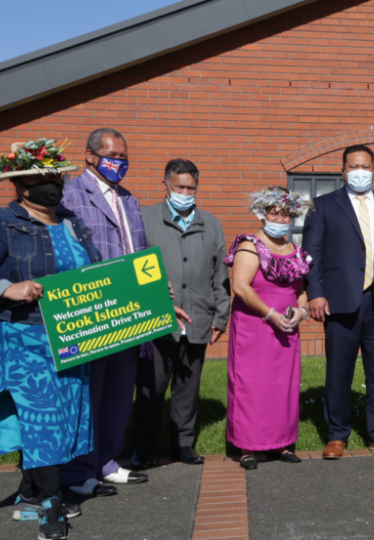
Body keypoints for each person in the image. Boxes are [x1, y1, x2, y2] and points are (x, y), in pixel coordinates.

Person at [0, 138, 97, 540]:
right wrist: (6, 287)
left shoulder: (71, 221)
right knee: (42, 414)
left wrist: (151, 299)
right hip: (20, 333)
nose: (51, 184)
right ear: (21, 185)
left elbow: (100, 275)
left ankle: (31, 492)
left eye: (55, 176)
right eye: (40, 178)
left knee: (65, 412)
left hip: (69, 331)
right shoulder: (0, 221)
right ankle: (52, 505)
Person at [302, 145, 374, 459]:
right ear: (342, 170)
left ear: (373, 168)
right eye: (353, 166)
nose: (359, 171)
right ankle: (337, 435)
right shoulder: (323, 206)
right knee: (338, 372)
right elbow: (311, 255)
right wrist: (315, 292)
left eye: (365, 166)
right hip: (340, 302)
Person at [59, 128, 149, 495]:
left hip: (129, 310)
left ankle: (108, 461)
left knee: (118, 392)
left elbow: (139, 252)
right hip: (92, 308)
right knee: (88, 394)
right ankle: (79, 472)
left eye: (125, 157)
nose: (119, 163)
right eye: (113, 155)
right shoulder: (69, 194)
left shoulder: (129, 199)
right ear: (90, 156)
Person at [131, 159, 230, 469]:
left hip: (199, 317)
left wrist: (220, 316)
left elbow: (220, 275)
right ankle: (143, 447)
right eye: (179, 187)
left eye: (191, 187)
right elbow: (132, 268)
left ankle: (183, 444)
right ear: (166, 185)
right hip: (158, 320)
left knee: (188, 390)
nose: (185, 192)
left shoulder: (211, 223)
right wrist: (155, 297)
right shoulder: (144, 219)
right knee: (151, 388)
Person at [226, 188, 313, 469]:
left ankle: (282, 442)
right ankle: (247, 446)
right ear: (263, 214)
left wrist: (301, 311)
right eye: (274, 212)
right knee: (251, 385)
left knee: (283, 386)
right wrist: (270, 314)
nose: (280, 217)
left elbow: (300, 290)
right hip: (255, 327)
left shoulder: (295, 251)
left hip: (287, 329)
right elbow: (240, 286)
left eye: (285, 213)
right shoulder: (250, 245)